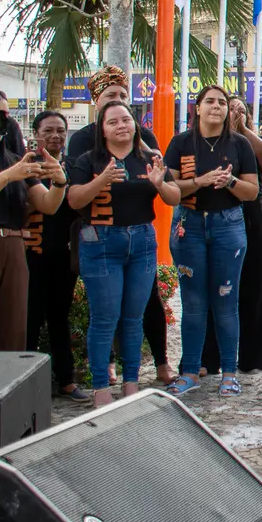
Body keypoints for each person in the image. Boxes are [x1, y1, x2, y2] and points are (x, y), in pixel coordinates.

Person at [68, 100, 182, 406]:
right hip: (101, 242)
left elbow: (175, 197)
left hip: (142, 241)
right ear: (102, 130)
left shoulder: (150, 158)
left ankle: (131, 383)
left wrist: (160, 184)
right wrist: (101, 181)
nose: (121, 126)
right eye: (113, 122)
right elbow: (74, 200)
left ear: (135, 125)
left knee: (133, 317)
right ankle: (101, 388)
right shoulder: (89, 160)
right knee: (105, 318)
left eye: (126, 120)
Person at [162, 85, 259, 397]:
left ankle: (229, 372)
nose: (217, 107)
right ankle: (190, 371)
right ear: (198, 108)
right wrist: (199, 181)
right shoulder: (180, 143)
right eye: (210, 101)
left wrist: (230, 181)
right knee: (192, 302)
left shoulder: (240, 144)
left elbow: (252, 191)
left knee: (226, 301)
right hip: (188, 225)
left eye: (222, 102)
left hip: (228, 226)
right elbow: (168, 189)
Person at [200, 96, 262, 375]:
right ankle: (209, 357)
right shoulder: (206, 141)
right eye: (230, 107)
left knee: (256, 283)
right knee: (215, 286)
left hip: (252, 214)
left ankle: (256, 355)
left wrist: (244, 130)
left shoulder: (252, 140)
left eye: (240, 109)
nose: (234, 112)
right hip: (217, 214)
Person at [0, 92, 67, 351]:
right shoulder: (12, 168)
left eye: (7, 116)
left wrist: (59, 181)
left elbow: (47, 204)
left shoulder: (12, 158)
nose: (4, 122)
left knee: (12, 329)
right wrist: (8, 176)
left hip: (15, 245)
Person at [25, 110, 86, 400]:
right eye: (48, 130)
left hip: (64, 255)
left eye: (60, 130)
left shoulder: (73, 166)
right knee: (30, 319)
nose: (55, 136)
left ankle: (66, 380)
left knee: (59, 318)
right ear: (36, 134)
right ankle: (24, 385)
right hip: (30, 254)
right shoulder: (25, 166)